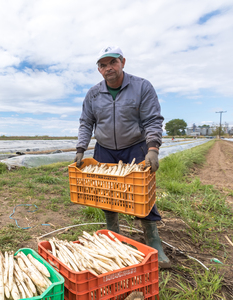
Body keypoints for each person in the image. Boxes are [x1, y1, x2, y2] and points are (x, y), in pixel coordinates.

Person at [74, 46, 170, 268]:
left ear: (123, 62)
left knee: (141, 193)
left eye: (112, 63)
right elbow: (86, 122)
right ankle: (113, 234)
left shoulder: (142, 87)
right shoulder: (93, 94)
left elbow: (152, 120)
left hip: (134, 147)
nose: (108, 68)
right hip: (105, 149)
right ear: (99, 70)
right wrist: (81, 148)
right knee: (106, 194)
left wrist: (153, 148)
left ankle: (153, 239)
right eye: (103, 65)